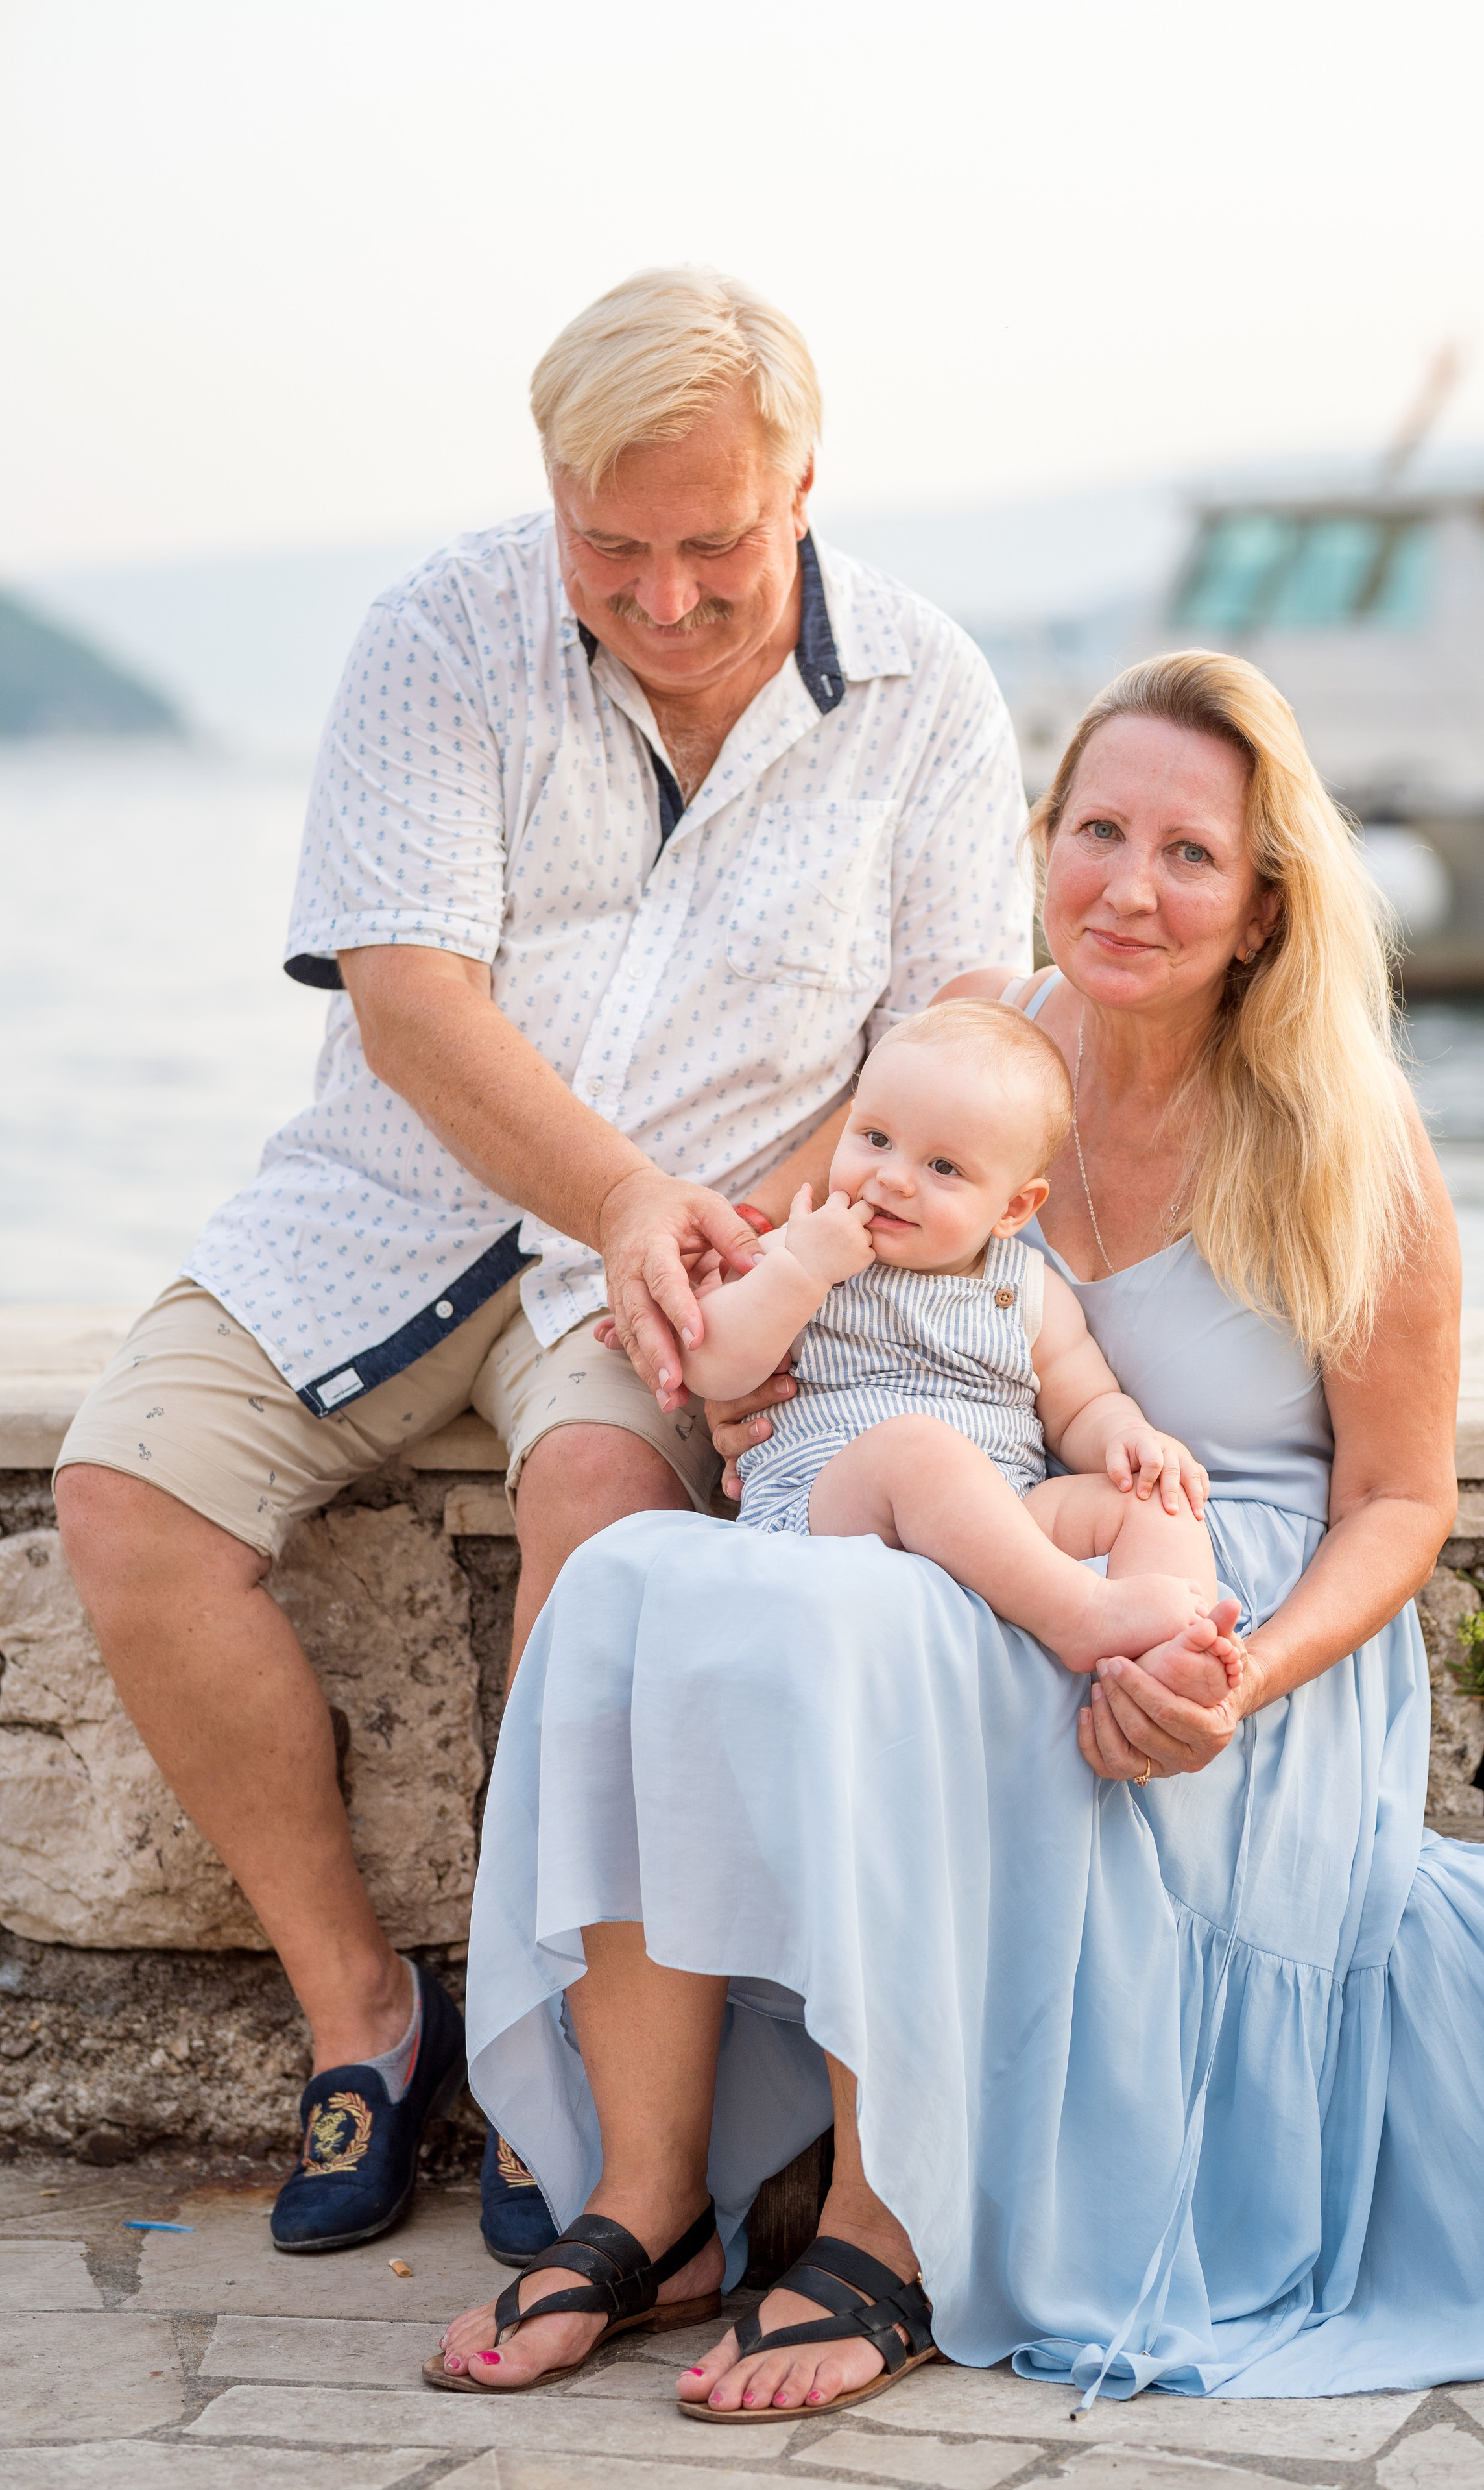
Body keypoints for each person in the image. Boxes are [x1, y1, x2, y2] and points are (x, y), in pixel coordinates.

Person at [435, 647, 1484, 2414]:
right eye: (1096, 830)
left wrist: (1243, 1671)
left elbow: (1403, 1500)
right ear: (1040, 837)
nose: (1129, 888)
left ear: (1262, 902)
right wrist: (738, 1338)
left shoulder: (1341, 1131)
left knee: (881, 1620)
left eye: (1190, 853)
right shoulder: (974, 1049)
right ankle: (651, 2190)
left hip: (1207, 1601)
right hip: (966, 1526)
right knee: (625, 1579)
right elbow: (808, 1245)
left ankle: (887, 2224)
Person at [51, 267, 1031, 2260]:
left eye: (713, 550)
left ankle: (552, 2073)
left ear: (804, 489)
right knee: (121, 1494)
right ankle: (370, 2015)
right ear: (548, 486)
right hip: (386, 1194)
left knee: (599, 1515)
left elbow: (946, 1036)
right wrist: (614, 1196)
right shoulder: (438, 629)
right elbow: (411, 1004)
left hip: (713, 1241)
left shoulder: (929, 693)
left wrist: (736, 1227)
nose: (661, 598)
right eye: (613, 545)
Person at [684, 1000, 1241, 1696]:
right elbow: (712, 1365)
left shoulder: (1029, 1292)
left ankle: (1170, 1654)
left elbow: (1084, 1404)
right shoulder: (795, 1253)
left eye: (942, 1166)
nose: (891, 1176)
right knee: (915, 1448)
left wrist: (1128, 1437)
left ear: (1012, 1209)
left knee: (1158, 1498)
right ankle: (1081, 1615)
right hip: (829, 1514)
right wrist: (802, 1271)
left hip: (1007, 1523)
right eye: (876, 1138)